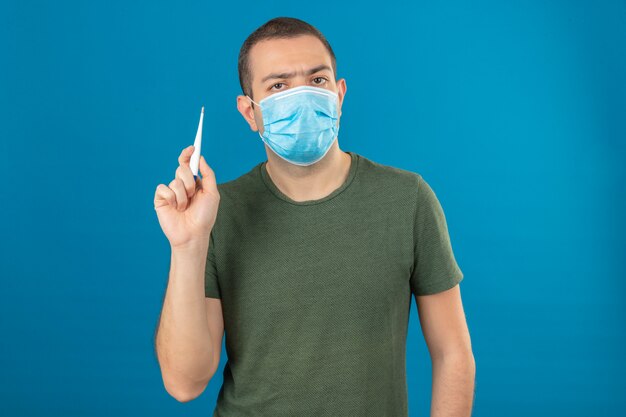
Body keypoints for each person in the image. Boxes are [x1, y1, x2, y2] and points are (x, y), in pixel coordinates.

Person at [153, 16, 475, 417]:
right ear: (249, 112)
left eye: (317, 80)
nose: (301, 96)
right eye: (278, 86)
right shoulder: (219, 211)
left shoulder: (407, 199)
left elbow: (453, 353)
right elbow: (185, 383)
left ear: (339, 94)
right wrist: (187, 245)